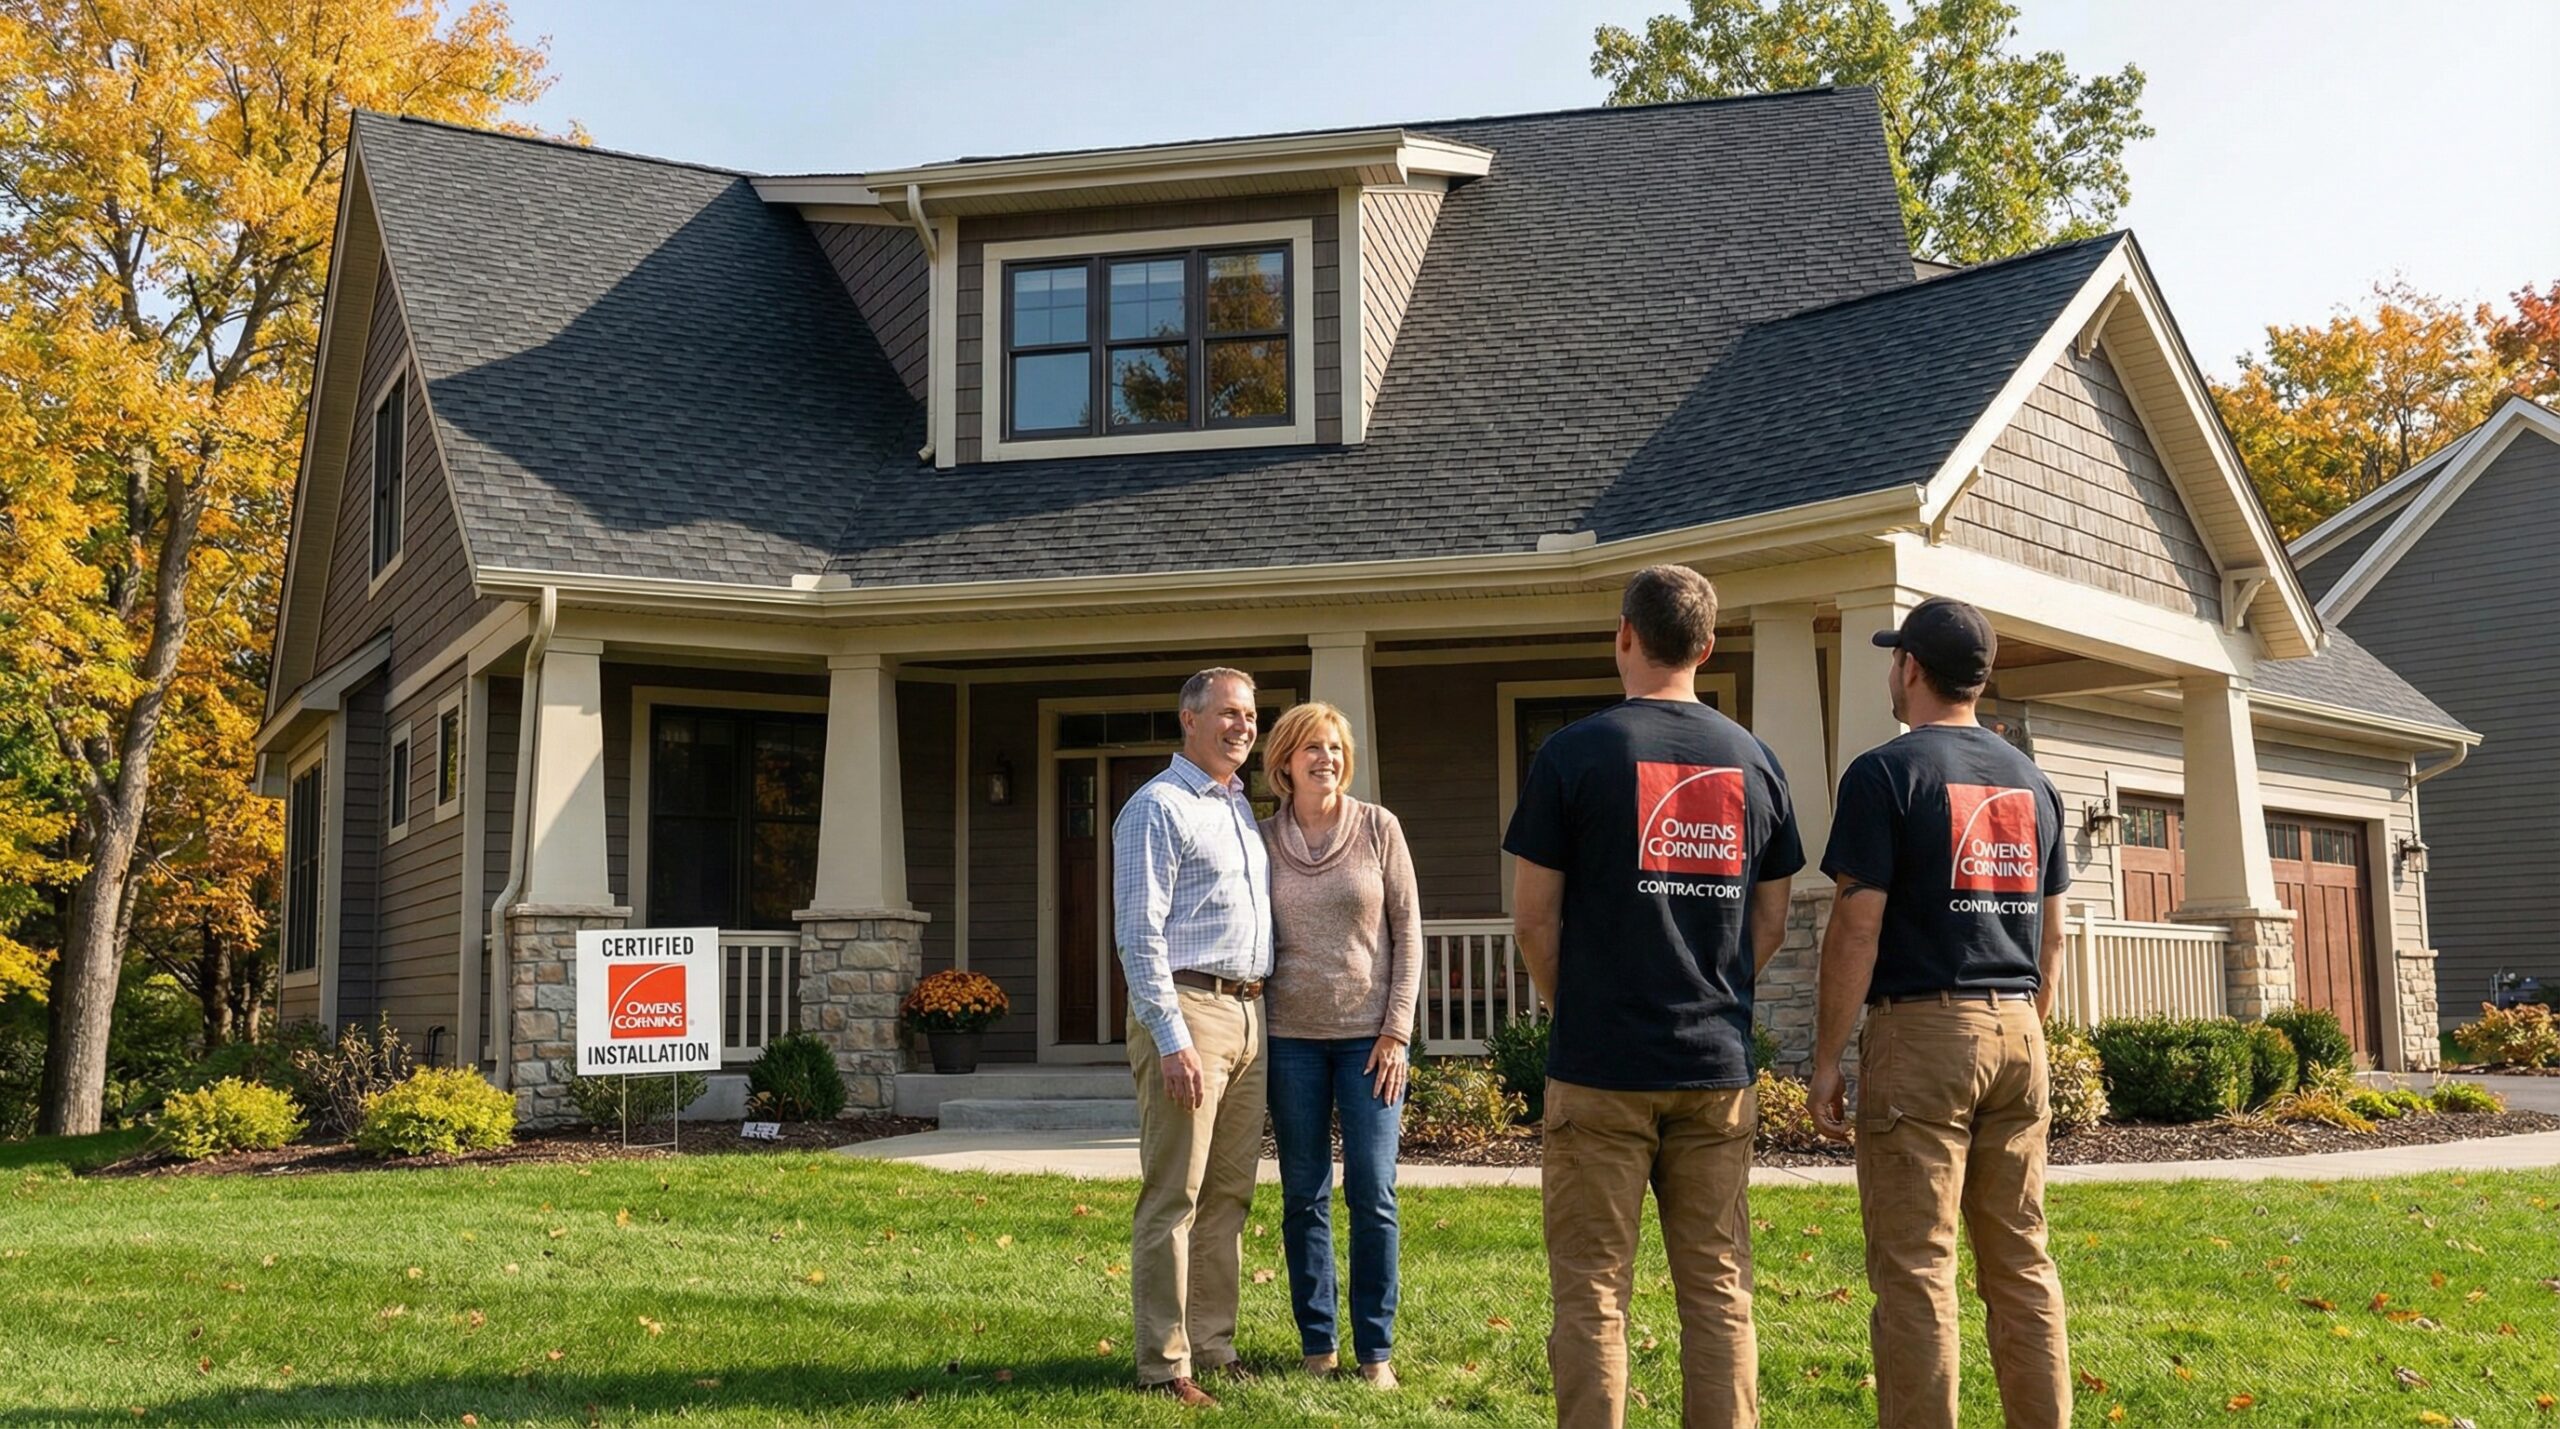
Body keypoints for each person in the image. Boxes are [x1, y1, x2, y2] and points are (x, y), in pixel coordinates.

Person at [1505, 564, 1804, 1429]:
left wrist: (1577, 1005)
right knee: (1718, 1285)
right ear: (1706, 648)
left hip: (1601, 1063)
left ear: (1624, 635)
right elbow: (1775, 917)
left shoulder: (1572, 753)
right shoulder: (1756, 761)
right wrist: (1715, 987)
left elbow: (1533, 919)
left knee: (1594, 1289)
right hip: (1716, 1065)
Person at [1807, 597, 2074, 1429]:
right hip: (2020, 1027)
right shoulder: (2034, 783)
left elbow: (1857, 923)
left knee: (1919, 1266)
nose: (1891, 670)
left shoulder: (1886, 774)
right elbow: (2055, 933)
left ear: (1911, 668)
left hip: (1924, 1033)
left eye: (1894, 659)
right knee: (2021, 1259)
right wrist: (2027, 1025)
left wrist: (1824, 1058)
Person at [1113, 666, 1275, 1409]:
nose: (1244, 725)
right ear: (1189, 718)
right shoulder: (1159, 807)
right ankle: (1163, 1363)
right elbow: (1139, 936)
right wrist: (1171, 1038)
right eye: (1229, 713)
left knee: (1229, 1192)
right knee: (1174, 1191)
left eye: (1250, 714)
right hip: (1188, 1008)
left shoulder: (1239, 806)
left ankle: (1213, 1343)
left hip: (1248, 1013)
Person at [1259, 701, 1423, 1390]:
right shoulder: (1261, 838)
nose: (1324, 757)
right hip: (1290, 1040)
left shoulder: (1379, 827)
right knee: (1303, 1194)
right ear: (1285, 762)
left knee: (1374, 1190)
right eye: (1311, 748)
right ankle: (1318, 1342)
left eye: (1333, 747)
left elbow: (1409, 932)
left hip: (1370, 1041)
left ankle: (1375, 1350)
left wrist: (1397, 1030)